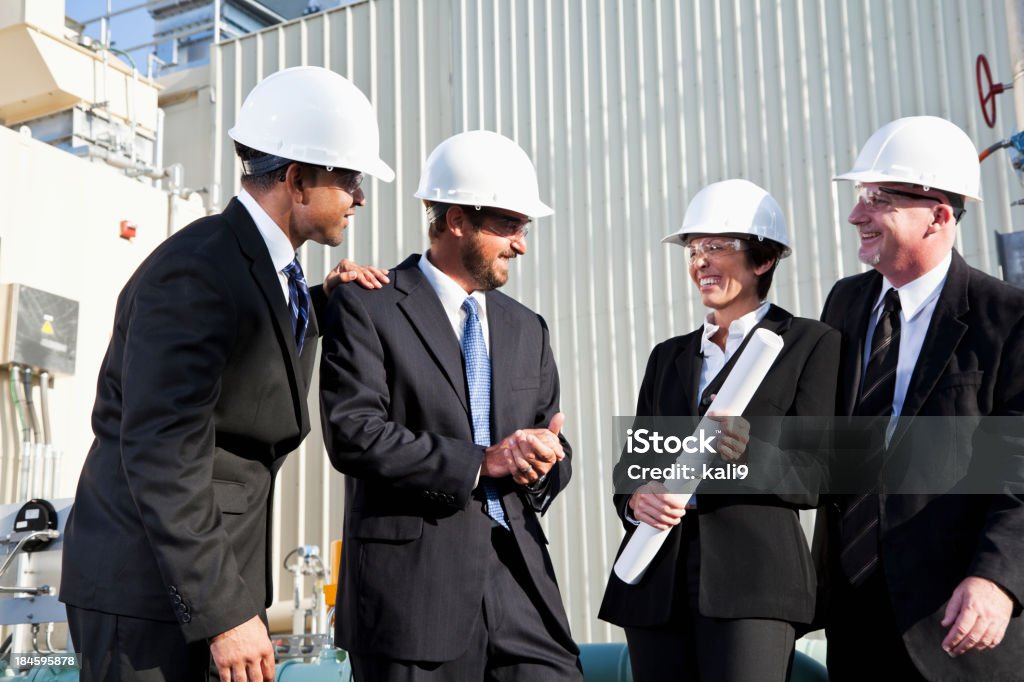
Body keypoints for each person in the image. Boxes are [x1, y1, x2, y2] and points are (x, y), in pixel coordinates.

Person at [58, 66, 394, 682]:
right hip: (151, 599)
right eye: (350, 177)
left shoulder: (260, 274)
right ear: (296, 180)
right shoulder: (194, 273)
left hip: (206, 587)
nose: (361, 197)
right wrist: (223, 615)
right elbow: (165, 453)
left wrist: (316, 301)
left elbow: (249, 343)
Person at [319, 130, 582, 681]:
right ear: (458, 220)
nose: (521, 244)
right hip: (411, 593)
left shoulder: (526, 328)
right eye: (509, 226)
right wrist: (481, 461)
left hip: (520, 584)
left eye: (523, 229)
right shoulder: (369, 305)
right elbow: (354, 433)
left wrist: (544, 461)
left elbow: (546, 444)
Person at [598, 179, 840, 682]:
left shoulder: (810, 344)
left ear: (763, 259)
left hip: (754, 581)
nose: (700, 262)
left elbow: (818, 473)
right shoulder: (668, 356)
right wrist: (634, 498)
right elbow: (634, 461)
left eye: (716, 247)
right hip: (654, 578)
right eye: (693, 250)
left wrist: (745, 453)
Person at [816, 115, 1024, 680]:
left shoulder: (1006, 320)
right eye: (861, 196)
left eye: (878, 198)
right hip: (857, 616)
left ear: (937, 215)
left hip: (958, 620)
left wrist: (998, 579)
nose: (857, 214)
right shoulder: (845, 304)